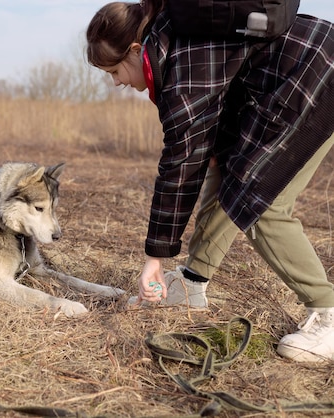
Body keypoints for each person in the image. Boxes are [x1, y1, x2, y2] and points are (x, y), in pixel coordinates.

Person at [86, 1, 334, 362]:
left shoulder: (180, 68)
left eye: (114, 70)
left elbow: (180, 167)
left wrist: (155, 256)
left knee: (261, 205)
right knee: (227, 170)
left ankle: (327, 312)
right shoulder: (179, 38)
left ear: (137, 51)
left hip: (313, 78)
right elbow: (207, 146)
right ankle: (191, 283)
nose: (116, 82)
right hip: (307, 68)